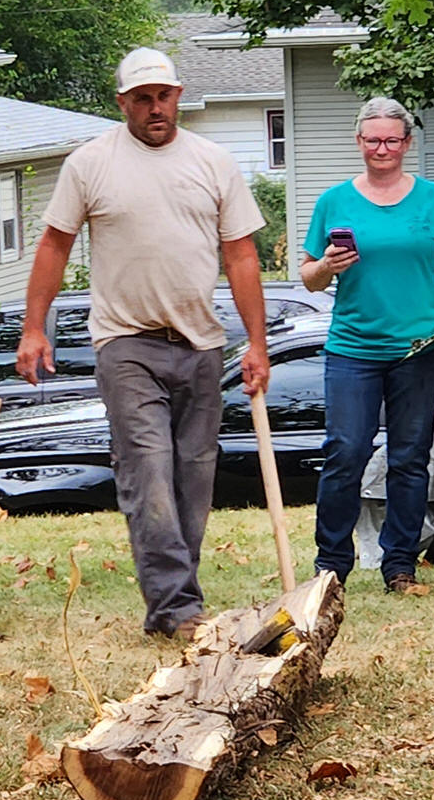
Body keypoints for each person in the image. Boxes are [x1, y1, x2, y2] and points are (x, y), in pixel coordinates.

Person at [15, 47, 270, 639]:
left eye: (164, 96)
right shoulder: (90, 164)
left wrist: (256, 344)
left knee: (193, 483)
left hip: (201, 344)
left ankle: (171, 605)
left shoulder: (213, 162)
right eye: (142, 99)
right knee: (148, 472)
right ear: (123, 103)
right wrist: (33, 327)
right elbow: (54, 245)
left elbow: (241, 255)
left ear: (177, 96)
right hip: (126, 342)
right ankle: (179, 608)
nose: (155, 108)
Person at [298, 97, 434, 590]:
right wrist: (326, 266)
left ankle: (400, 565)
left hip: (420, 349)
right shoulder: (334, 201)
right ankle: (330, 566)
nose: (382, 149)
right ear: (358, 142)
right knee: (346, 451)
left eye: (391, 140)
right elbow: (309, 277)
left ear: (407, 143)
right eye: (372, 140)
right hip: (353, 349)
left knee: (409, 457)